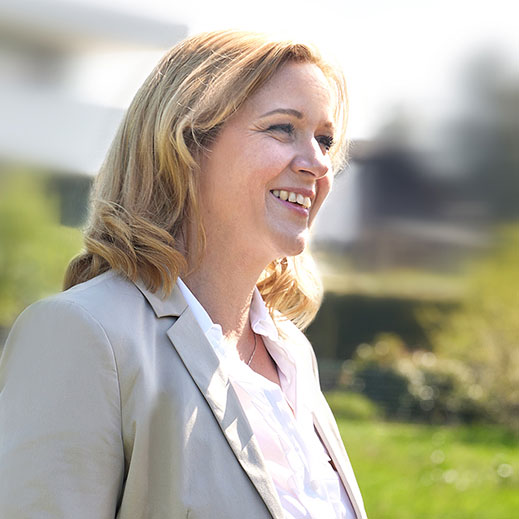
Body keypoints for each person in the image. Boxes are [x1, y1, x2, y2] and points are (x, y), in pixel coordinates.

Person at [0, 30, 367, 518]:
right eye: (283, 128)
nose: (319, 163)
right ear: (185, 144)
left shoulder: (293, 355)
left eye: (325, 140)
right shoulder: (82, 334)